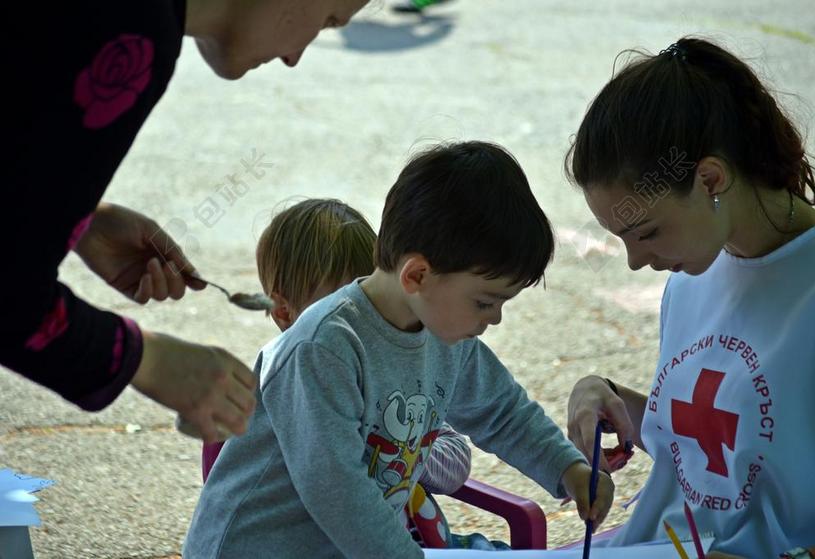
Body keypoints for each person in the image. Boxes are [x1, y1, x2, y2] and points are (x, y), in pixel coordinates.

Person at [183, 141, 614, 558]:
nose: (494, 319)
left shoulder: (446, 336)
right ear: (417, 276)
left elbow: (502, 412)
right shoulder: (323, 347)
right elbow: (337, 491)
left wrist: (568, 469)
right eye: (485, 302)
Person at [3, 0, 369, 442]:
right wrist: (149, 362)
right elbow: (11, 298)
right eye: (328, 20)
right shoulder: (130, 30)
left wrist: (81, 221)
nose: (295, 57)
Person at [563, 37, 815, 559]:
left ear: (711, 179)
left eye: (645, 232)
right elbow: (708, 449)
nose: (635, 261)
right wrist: (609, 396)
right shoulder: (692, 278)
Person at [198, 198, 474, 548]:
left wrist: (401, 450)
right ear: (284, 312)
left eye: (367, 301)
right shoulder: (294, 381)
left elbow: (456, 459)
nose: (361, 318)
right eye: (338, 308)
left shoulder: (389, 371)